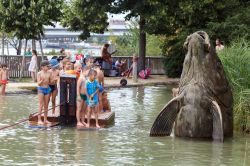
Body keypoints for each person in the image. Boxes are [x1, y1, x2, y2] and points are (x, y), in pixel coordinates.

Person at [37, 60, 52, 125]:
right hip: (41, 89)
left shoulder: (49, 73)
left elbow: (50, 81)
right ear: (42, 67)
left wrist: (54, 80)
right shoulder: (39, 73)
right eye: (47, 66)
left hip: (47, 89)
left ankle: (45, 119)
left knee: (46, 105)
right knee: (41, 105)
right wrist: (42, 81)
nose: (48, 67)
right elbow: (38, 83)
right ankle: (39, 119)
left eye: (48, 66)